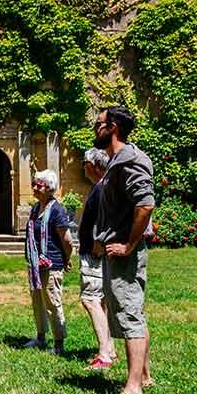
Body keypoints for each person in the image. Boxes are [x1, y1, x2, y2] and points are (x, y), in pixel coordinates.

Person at [93, 106, 155, 394]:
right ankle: (143, 377)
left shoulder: (130, 160)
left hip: (124, 253)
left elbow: (145, 205)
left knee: (130, 314)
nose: (95, 128)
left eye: (99, 123)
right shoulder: (116, 161)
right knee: (132, 311)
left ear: (113, 126)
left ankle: (132, 393)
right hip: (113, 249)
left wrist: (129, 246)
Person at [24, 169, 73, 355]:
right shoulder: (36, 208)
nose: (34, 187)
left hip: (52, 264)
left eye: (39, 184)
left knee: (52, 302)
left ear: (49, 188)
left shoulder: (57, 210)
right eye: (34, 183)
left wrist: (67, 259)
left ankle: (59, 343)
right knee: (37, 300)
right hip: (35, 265)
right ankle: (41, 337)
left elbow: (67, 240)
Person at [79, 148, 115, 370]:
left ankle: (104, 354)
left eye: (84, 162)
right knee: (101, 300)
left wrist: (97, 245)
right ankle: (109, 348)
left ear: (92, 165)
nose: (82, 166)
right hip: (96, 251)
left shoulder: (101, 189)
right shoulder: (102, 186)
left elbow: (103, 221)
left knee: (90, 300)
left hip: (95, 252)